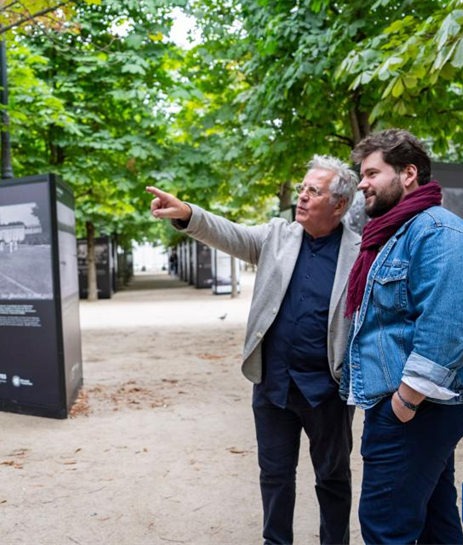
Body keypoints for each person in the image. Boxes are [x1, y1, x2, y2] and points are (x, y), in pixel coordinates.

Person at [148, 155, 360, 545]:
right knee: (275, 475)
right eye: (302, 188)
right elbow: (232, 234)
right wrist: (188, 214)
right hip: (273, 385)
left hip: (328, 390)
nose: (303, 197)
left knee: (333, 478)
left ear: (340, 204)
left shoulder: (360, 251)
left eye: (314, 191)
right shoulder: (278, 235)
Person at [341, 129, 463, 544]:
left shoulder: (440, 232)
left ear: (408, 173)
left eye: (372, 172)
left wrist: (404, 402)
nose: (363, 183)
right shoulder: (392, 233)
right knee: (434, 522)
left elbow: (449, 329)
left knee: (386, 526)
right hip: (411, 406)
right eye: (361, 173)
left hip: (418, 408)